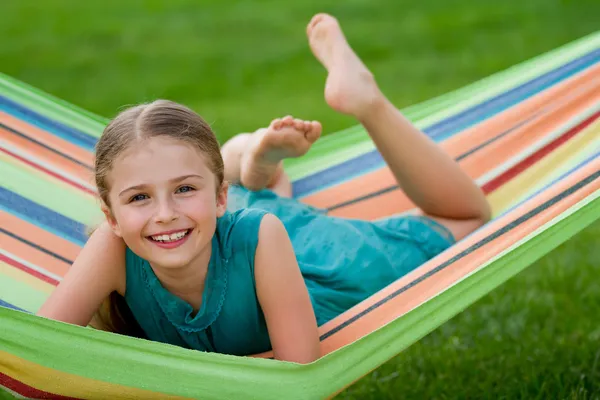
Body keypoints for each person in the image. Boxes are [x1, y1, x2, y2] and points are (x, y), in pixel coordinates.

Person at [37, 14, 490, 364]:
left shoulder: (258, 233)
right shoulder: (115, 246)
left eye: (183, 189)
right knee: (242, 196)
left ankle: (364, 100)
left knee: (468, 215)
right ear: (111, 216)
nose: (163, 214)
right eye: (138, 197)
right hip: (230, 225)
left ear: (221, 197)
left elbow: (300, 377)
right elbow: (37, 350)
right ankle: (254, 163)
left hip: (311, 261)